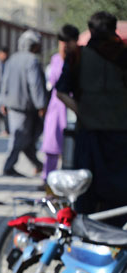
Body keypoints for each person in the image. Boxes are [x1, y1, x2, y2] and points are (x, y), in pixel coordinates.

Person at [56, 11, 127, 227]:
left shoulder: (77, 56)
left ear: (91, 30)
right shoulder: (124, 56)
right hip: (121, 136)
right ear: (114, 29)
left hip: (89, 135)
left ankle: (86, 234)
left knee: (86, 189)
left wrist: (82, 112)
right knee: (119, 191)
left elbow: (60, 92)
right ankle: (116, 236)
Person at [0, 30, 48, 177]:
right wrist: (41, 105)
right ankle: (8, 166)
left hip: (13, 105)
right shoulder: (32, 60)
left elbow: (4, 82)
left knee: (27, 140)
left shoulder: (13, 59)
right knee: (19, 138)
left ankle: (38, 165)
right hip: (25, 107)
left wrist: (3, 101)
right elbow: (35, 85)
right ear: (33, 45)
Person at [39, 25, 79, 187]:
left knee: (72, 149)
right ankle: (48, 180)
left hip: (74, 106)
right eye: (62, 41)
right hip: (57, 107)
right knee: (52, 146)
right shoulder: (55, 60)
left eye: (68, 41)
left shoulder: (80, 59)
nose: (65, 45)